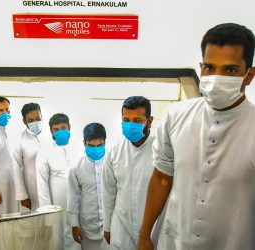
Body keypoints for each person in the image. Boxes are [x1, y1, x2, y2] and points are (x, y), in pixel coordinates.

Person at [138, 23, 255, 250]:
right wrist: (144, 234)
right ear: (201, 67)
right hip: (174, 241)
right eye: (210, 67)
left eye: (230, 70)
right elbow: (163, 178)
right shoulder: (176, 116)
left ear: (249, 75)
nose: (216, 77)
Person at [102, 96, 156, 250]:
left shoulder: (161, 150)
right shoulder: (114, 152)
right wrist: (107, 227)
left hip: (152, 228)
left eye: (137, 120)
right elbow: (108, 193)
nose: (130, 125)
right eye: (126, 120)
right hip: (121, 227)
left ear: (149, 121)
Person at [36, 113, 81, 250]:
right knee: (60, 239)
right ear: (51, 131)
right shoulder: (44, 151)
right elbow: (41, 183)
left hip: (79, 204)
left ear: (69, 128)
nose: (60, 132)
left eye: (63, 128)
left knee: (80, 236)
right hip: (58, 206)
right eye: (56, 129)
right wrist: (47, 211)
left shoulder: (80, 148)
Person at [67, 123, 109, 250]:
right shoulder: (75, 168)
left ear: (105, 142)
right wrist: (74, 226)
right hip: (87, 225)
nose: (96, 149)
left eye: (100, 145)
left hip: (111, 225)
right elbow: (73, 198)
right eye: (91, 146)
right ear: (84, 143)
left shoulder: (113, 164)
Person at [10, 103, 44, 211]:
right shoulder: (19, 140)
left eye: (38, 118)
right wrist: (22, 196)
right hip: (31, 188)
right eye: (31, 120)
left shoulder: (51, 136)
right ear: (24, 121)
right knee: (33, 221)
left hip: (50, 186)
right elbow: (15, 168)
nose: (35, 122)